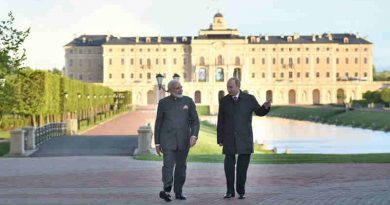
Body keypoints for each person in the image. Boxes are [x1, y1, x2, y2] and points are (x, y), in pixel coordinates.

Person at [217, 77, 271, 199]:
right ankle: (229, 191)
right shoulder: (224, 101)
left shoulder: (249, 98)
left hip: (245, 137)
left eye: (231, 87)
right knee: (229, 167)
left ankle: (241, 191)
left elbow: (259, 112)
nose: (228, 89)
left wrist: (265, 107)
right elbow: (221, 121)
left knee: (242, 168)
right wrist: (220, 138)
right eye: (227, 87)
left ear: (238, 86)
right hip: (229, 138)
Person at [154, 80, 200, 202]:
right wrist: (157, 143)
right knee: (168, 165)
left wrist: (194, 135)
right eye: (177, 88)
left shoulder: (188, 101)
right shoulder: (163, 103)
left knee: (181, 167)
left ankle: (178, 192)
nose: (180, 89)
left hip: (184, 140)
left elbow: (195, 120)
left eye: (181, 87)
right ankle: (167, 190)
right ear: (170, 90)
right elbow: (158, 123)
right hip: (167, 140)